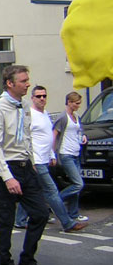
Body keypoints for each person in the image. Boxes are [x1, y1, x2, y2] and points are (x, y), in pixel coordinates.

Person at [0, 65, 49, 265]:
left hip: (25, 166)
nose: (28, 84)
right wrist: (8, 177)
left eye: (27, 80)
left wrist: (31, 161)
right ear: (10, 84)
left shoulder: (24, 106)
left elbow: (27, 135)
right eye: (23, 81)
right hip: (7, 168)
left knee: (41, 213)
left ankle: (27, 259)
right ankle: (5, 264)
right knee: (5, 219)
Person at [15, 86, 88, 233]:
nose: (42, 99)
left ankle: (19, 220)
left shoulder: (45, 114)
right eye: (38, 96)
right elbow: (25, 140)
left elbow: (49, 137)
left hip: (45, 159)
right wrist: (33, 160)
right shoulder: (30, 115)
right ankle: (68, 223)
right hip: (36, 160)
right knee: (51, 191)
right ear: (32, 98)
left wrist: (52, 155)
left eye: (44, 96)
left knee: (33, 189)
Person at [53, 91, 89, 223]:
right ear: (69, 102)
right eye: (76, 103)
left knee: (75, 184)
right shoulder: (63, 117)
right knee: (79, 184)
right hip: (66, 154)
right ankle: (55, 201)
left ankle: (73, 213)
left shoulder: (76, 116)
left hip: (76, 153)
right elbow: (54, 134)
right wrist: (53, 154)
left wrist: (83, 136)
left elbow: (80, 130)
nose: (79, 105)